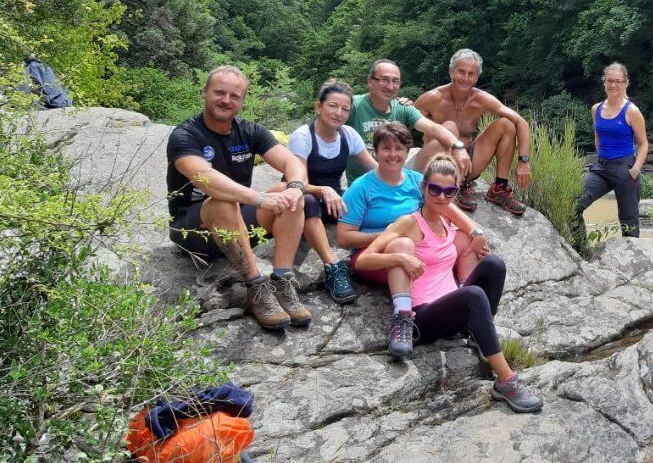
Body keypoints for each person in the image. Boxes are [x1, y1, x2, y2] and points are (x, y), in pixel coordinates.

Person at [355, 154, 543, 413]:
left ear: (455, 192)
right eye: (435, 189)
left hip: (452, 309)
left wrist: (475, 236)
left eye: (449, 191)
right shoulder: (408, 223)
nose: (441, 196)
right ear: (424, 188)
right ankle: (506, 382)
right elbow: (364, 260)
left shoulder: (446, 219)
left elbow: (469, 234)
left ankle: (480, 335)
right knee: (474, 295)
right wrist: (400, 258)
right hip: (424, 315)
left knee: (494, 264)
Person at [166, 66, 312, 332]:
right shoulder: (185, 135)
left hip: (236, 225)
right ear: (205, 93)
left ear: (242, 101)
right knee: (222, 200)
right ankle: (255, 287)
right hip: (192, 229)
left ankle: (281, 279)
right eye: (219, 92)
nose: (226, 100)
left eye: (234, 95)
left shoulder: (250, 131)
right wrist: (258, 198)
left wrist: (294, 186)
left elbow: (292, 161)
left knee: (291, 196)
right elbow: (204, 178)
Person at [336, 122, 483, 287]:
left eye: (399, 149)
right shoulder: (361, 188)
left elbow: (446, 207)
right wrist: (393, 234)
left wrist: (476, 232)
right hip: (378, 255)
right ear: (375, 153)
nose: (393, 154)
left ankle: (467, 291)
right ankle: (405, 308)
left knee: (466, 238)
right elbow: (344, 237)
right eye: (386, 148)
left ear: (407, 152)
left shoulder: (416, 180)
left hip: (421, 247)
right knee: (402, 245)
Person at [281, 79, 376, 305]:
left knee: (367, 206)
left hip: (333, 199)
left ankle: (374, 255)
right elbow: (296, 182)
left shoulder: (348, 135)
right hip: (301, 198)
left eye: (345, 109)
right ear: (318, 107)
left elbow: (375, 170)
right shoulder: (303, 137)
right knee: (309, 202)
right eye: (333, 106)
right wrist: (322, 190)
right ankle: (332, 266)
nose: (339, 113)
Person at [413, 49, 533, 216]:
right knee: (449, 127)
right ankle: (454, 186)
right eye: (461, 72)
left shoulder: (480, 99)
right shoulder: (433, 98)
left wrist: (524, 161)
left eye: (471, 74)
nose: (466, 78)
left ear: (477, 77)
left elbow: (521, 122)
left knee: (507, 124)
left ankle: (499, 188)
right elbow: (402, 122)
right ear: (451, 71)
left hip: (467, 164)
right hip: (435, 164)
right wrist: (402, 105)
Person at [344, 58, 471, 185]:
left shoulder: (402, 107)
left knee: (450, 128)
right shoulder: (354, 105)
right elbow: (327, 121)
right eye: (384, 80)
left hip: (398, 173)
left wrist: (459, 147)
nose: (390, 86)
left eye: (396, 81)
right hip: (365, 182)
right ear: (370, 81)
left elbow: (434, 129)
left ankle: (439, 187)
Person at [576, 63, 649, 238]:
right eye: (610, 81)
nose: (613, 85)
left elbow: (644, 144)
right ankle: (580, 249)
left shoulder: (632, 111)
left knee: (628, 222)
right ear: (604, 82)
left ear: (625, 83)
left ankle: (632, 262)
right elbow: (598, 135)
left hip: (625, 169)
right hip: (601, 168)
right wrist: (601, 155)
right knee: (574, 204)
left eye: (618, 81)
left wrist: (635, 170)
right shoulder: (596, 109)